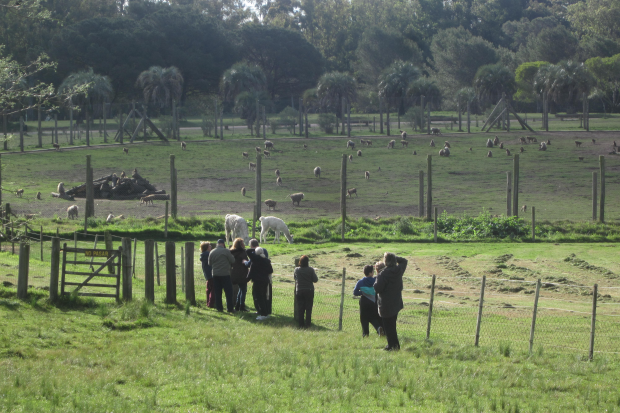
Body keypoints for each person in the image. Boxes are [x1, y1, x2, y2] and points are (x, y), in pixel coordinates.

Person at [373, 253, 408, 351]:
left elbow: (377, 288)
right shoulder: (398, 270)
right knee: (392, 325)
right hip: (396, 303)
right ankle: (393, 345)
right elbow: (404, 261)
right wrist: (394, 258)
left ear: (385, 262)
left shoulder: (383, 274)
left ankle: (393, 346)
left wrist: (377, 276)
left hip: (386, 304)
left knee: (388, 327)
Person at [353, 264, 383, 337]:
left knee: (364, 319)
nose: (373, 273)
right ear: (370, 273)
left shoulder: (360, 282)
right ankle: (378, 328)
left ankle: (365, 334)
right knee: (373, 317)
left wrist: (362, 293)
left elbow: (355, 292)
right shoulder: (376, 281)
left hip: (364, 302)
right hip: (373, 302)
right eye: (373, 271)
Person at [207, 239, 235, 313]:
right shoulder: (226, 251)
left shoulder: (212, 252)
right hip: (225, 274)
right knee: (228, 292)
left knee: (217, 292)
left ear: (217, 244)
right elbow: (233, 260)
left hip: (215, 274)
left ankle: (219, 308)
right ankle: (230, 308)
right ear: (223, 244)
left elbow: (209, 263)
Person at [246, 247, 273, 320]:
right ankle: (266, 313)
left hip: (258, 281)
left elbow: (247, 251)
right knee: (264, 297)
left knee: (259, 297)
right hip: (265, 281)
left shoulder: (256, 259)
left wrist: (254, 249)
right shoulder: (266, 260)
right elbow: (271, 270)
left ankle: (263, 313)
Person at [294, 255, 318, 328]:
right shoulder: (310, 269)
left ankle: (301, 324)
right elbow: (315, 280)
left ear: (300, 262)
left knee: (300, 308)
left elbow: (295, 278)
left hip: (299, 290)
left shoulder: (297, 269)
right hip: (309, 290)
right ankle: (308, 324)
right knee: (308, 308)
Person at [230, 238, 249, 312]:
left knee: (240, 289)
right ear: (240, 245)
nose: (244, 244)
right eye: (243, 243)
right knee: (243, 290)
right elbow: (246, 262)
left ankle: (237, 305)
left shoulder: (231, 252)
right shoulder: (242, 252)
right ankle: (241, 306)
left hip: (234, 273)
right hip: (242, 273)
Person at [199, 241, 215, 308]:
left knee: (209, 288)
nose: (210, 246)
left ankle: (208, 302)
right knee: (214, 289)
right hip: (211, 273)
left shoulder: (204, 254)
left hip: (207, 274)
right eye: (209, 246)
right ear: (206, 247)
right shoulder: (208, 254)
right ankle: (211, 304)